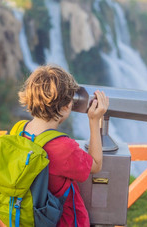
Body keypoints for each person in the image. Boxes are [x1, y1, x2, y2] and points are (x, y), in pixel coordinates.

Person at [17, 65, 109, 226]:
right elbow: (96, 164)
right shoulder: (64, 148)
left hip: (26, 216)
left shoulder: (18, 131)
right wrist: (94, 121)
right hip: (62, 221)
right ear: (66, 106)